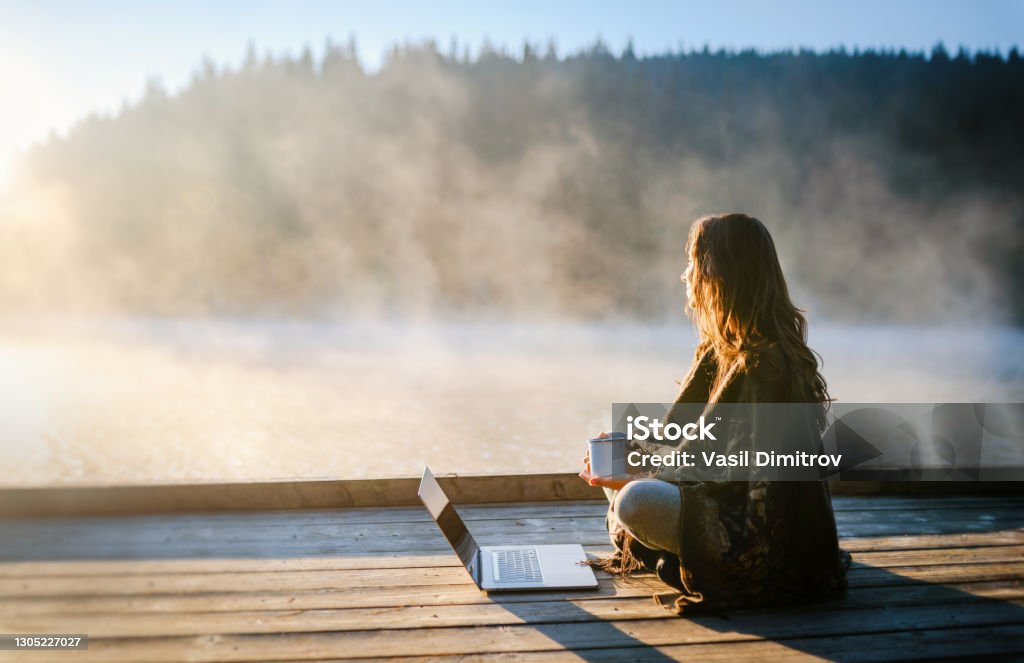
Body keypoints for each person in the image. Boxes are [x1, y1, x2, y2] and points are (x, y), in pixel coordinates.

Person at [579, 213, 850, 614]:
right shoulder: (717, 350)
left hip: (756, 537)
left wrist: (635, 477)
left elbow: (742, 476)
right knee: (618, 457)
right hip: (714, 493)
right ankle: (671, 555)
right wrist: (628, 456)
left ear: (718, 274)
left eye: (692, 263)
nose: (685, 276)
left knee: (636, 501)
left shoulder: (765, 367)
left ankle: (677, 558)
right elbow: (680, 443)